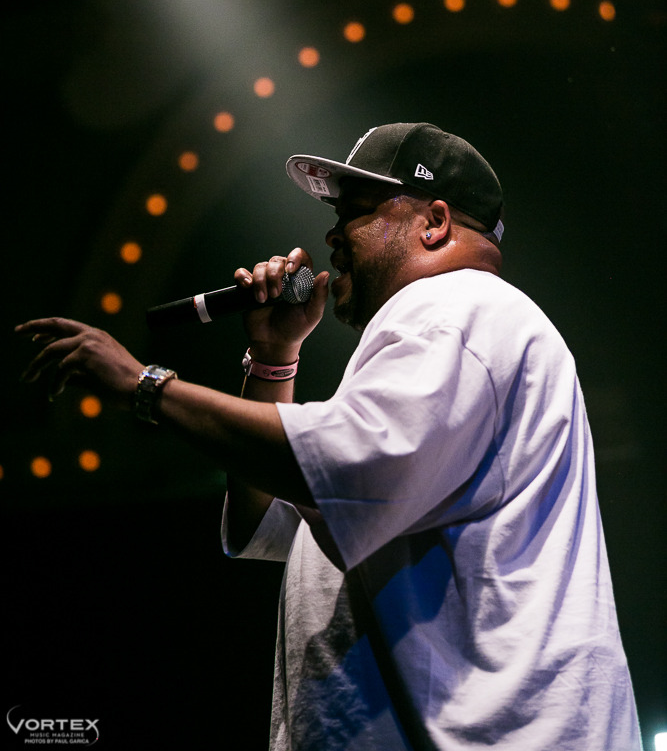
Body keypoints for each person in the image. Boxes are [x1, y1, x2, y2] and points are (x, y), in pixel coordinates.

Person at [17, 122, 642, 750]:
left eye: (357, 212)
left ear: (435, 222)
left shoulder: (460, 310)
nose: (332, 235)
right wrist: (273, 355)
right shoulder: (436, 339)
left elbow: (347, 472)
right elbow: (272, 521)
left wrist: (145, 385)